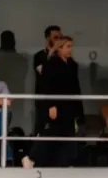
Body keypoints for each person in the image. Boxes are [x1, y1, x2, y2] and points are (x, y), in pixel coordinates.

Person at [31, 35, 83, 168]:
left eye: (71, 47)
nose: (70, 49)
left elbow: (75, 86)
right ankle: (32, 158)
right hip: (56, 104)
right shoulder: (51, 63)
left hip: (69, 104)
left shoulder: (72, 64)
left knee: (68, 133)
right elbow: (46, 86)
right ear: (59, 48)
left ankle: (65, 162)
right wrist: (51, 105)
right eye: (68, 47)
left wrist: (78, 108)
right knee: (52, 132)